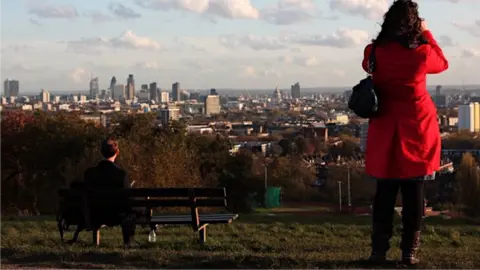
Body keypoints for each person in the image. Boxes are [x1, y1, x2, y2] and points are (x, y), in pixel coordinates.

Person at [362, 0, 448, 265]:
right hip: (417, 127)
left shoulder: (374, 51)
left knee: (384, 192)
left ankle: (378, 251)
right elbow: (442, 63)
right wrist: (427, 33)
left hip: (385, 126)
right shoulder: (421, 53)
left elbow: (367, 67)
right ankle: (409, 252)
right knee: (414, 193)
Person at [84, 137, 135, 246]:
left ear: (101, 152)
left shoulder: (90, 173)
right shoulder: (121, 174)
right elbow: (128, 198)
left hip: (95, 214)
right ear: (117, 152)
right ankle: (128, 242)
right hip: (117, 215)